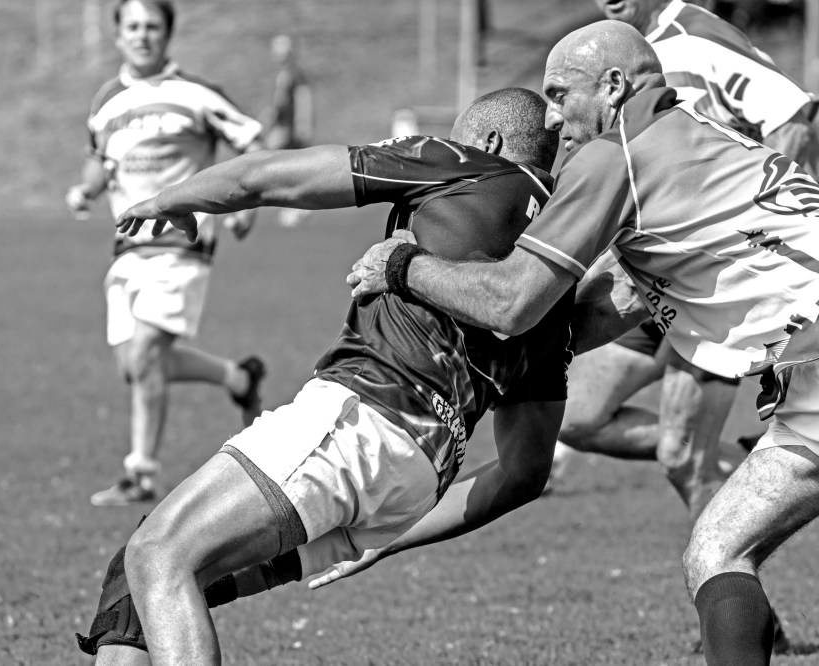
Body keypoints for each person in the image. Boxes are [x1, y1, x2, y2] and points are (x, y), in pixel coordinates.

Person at [347, 20, 819, 665]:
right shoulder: (701, 134)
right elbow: (619, 298)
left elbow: (514, 301)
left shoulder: (614, 153)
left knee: (719, 552)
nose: (549, 115)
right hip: (806, 373)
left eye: (560, 92)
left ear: (615, 86)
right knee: (719, 549)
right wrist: (517, 359)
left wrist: (402, 268)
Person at [74, 88, 574, 664]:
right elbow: (524, 473)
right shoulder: (548, 273)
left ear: (487, 141)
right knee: (135, 587)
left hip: (364, 417)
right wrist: (391, 540)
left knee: (160, 554)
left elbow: (264, 178)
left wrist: (176, 197)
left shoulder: (465, 163)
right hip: (415, 482)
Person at [549, 0, 819, 521]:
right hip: (644, 271)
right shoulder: (613, 55)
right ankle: (774, 465)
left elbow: (793, 116)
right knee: (577, 418)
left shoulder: (692, 36)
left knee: (682, 457)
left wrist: (770, 228)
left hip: (724, 276)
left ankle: (746, 522)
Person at [64, 0, 268, 506]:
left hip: (183, 241)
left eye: (152, 26)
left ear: (167, 34)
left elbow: (254, 141)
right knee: (134, 367)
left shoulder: (196, 94)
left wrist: (248, 204)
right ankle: (238, 377)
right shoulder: (106, 100)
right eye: (132, 26)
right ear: (118, 36)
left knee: (146, 354)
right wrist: (85, 191)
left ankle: (142, 474)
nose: (142, 35)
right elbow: (99, 161)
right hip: (127, 247)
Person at [260, 34, 315, 227]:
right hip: (282, 127)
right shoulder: (284, 75)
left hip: (288, 128)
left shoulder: (293, 74)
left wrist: (302, 124)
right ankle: (293, 207)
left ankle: (295, 207)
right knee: (281, 165)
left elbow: (302, 100)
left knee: (281, 165)